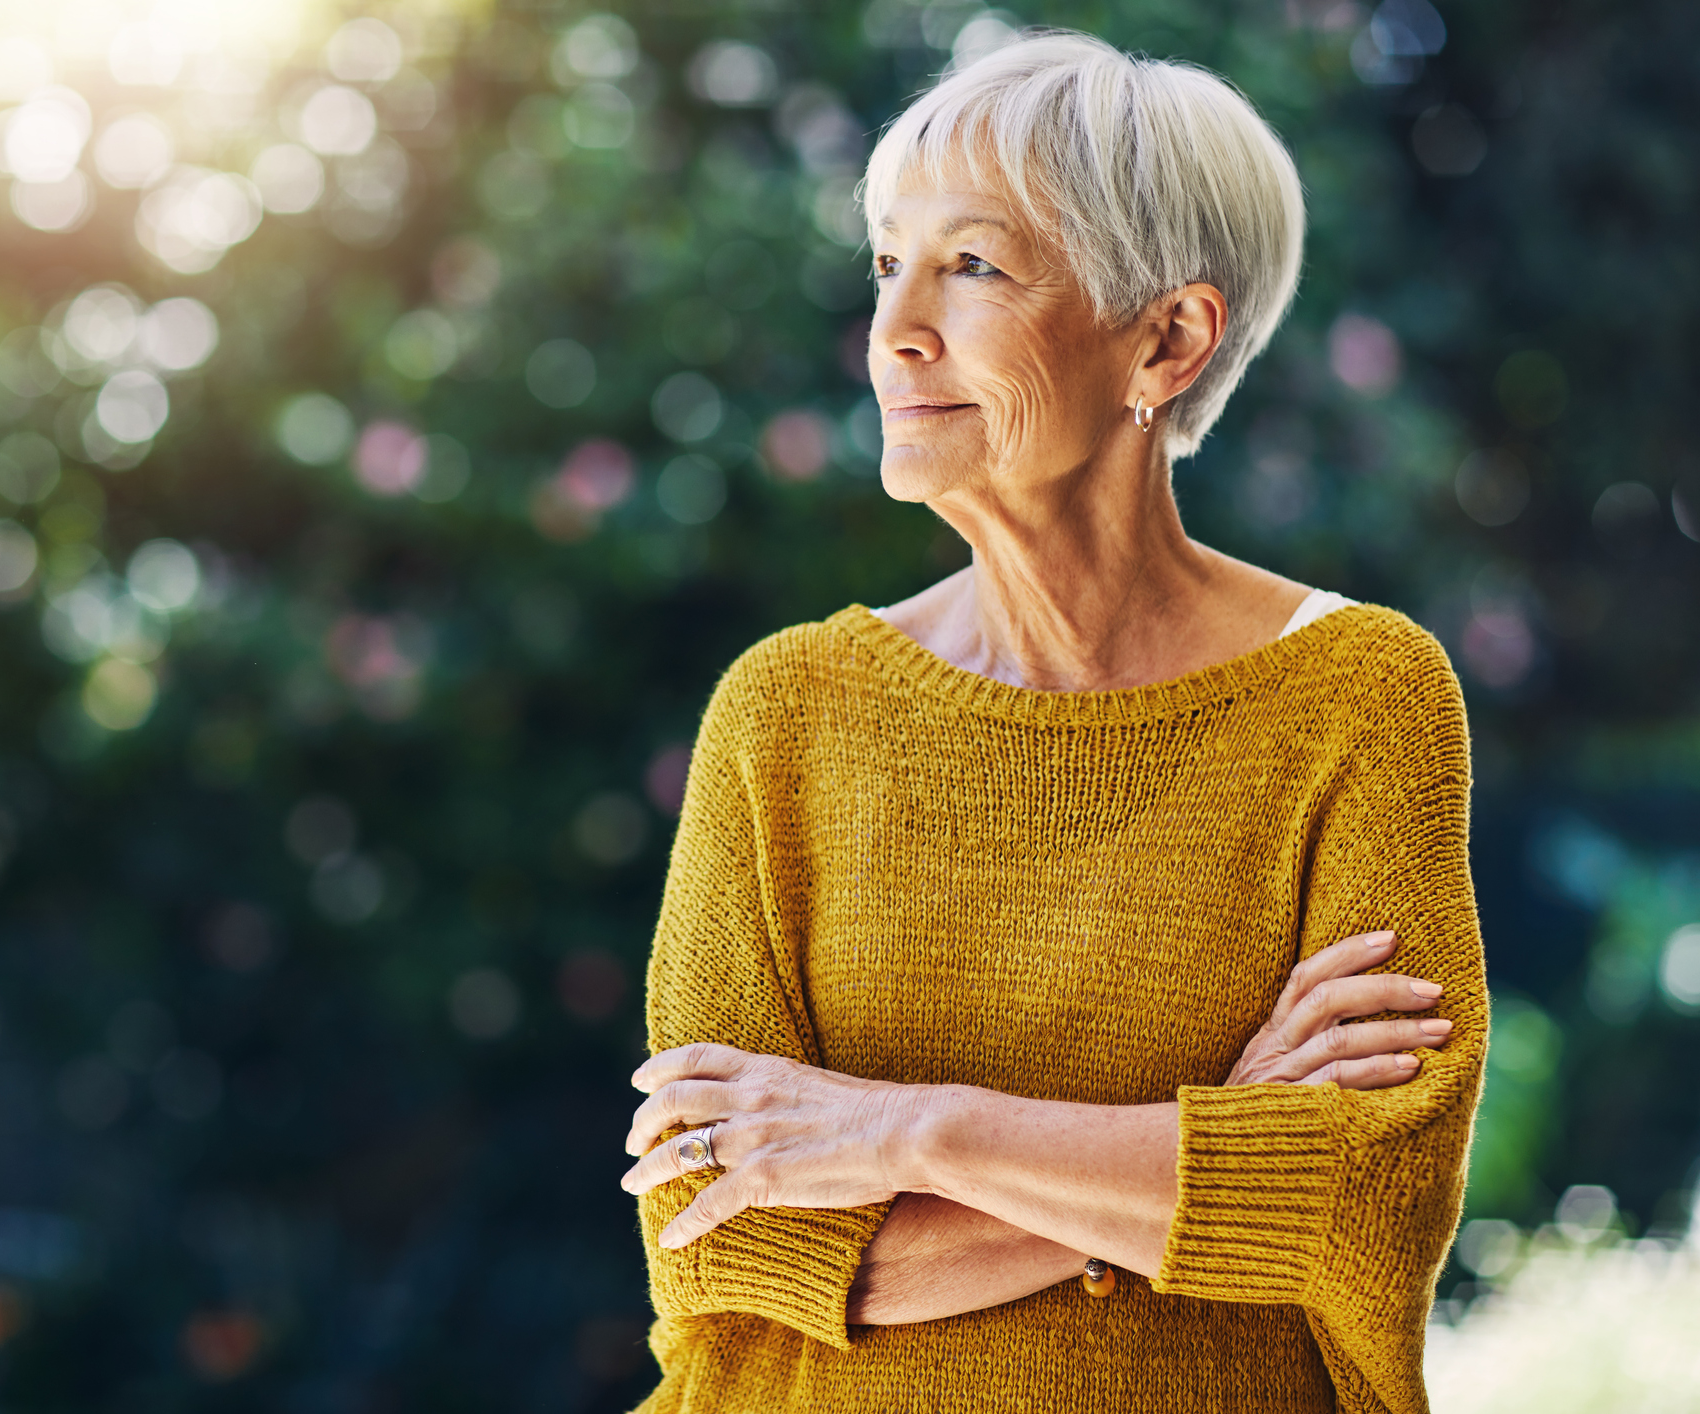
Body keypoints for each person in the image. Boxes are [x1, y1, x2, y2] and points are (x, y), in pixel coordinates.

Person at [618, 31, 1484, 1414]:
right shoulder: (784, 713)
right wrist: (1202, 1136)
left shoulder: (1357, 695)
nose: (897, 324)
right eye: (884, 262)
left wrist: (907, 1132)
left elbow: (1353, 1204)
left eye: (971, 264)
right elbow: (726, 1236)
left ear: (1166, 337)